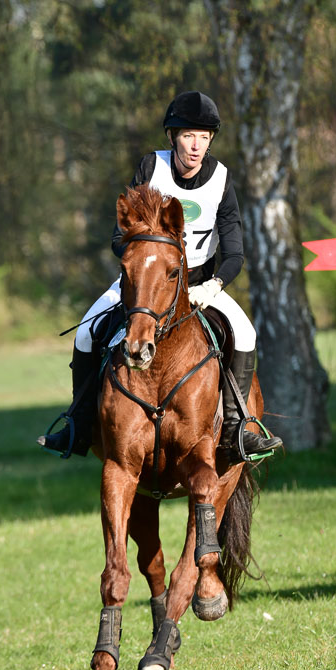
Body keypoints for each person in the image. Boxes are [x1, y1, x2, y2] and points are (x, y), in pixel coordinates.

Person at [37, 91, 282, 460]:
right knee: (88, 329)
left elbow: (235, 254)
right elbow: (121, 237)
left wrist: (213, 286)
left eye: (204, 137)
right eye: (188, 135)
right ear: (172, 137)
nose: (196, 146)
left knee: (245, 333)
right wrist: (141, 264)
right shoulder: (152, 168)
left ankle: (236, 430)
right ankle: (79, 423)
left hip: (200, 283)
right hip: (147, 281)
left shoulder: (222, 181)